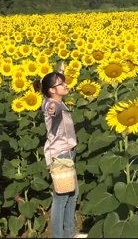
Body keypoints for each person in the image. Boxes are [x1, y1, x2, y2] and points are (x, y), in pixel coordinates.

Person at [34, 66, 86, 239]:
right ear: (51, 90)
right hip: (60, 154)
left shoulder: (51, 98)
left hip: (68, 152)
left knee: (73, 193)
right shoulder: (52, 104)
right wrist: (53, 109)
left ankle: (69, 232)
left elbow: (51, 80)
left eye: (64, 82)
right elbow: (52, 109)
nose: (65, 85)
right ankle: (59, 235)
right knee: (62, 197)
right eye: (61, 84)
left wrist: (60, 69)